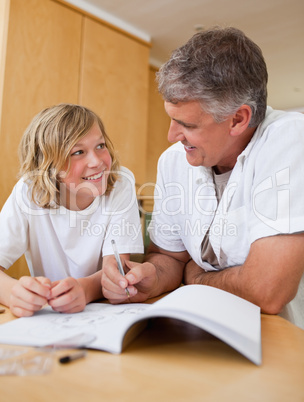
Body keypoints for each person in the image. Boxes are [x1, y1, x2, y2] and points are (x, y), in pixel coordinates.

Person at [101, 27, 304, 330]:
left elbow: (267, 291)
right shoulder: (173, 161)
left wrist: (196, 277)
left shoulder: (291, 139)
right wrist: (151, 278)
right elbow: (170, 257)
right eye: (172, 118)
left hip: (281, 339)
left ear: (238, 119)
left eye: (187, 124)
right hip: (202, 329)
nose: (172, 136)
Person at [0, 103, 143, 317]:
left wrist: (85, 290)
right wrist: (11, 292)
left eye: (100, 146)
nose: (97, 162)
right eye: (78, 152)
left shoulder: (120, 184)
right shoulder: (28, 192)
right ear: (48, 165)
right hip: (49, 316)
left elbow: (115, 270)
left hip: (102, 312)